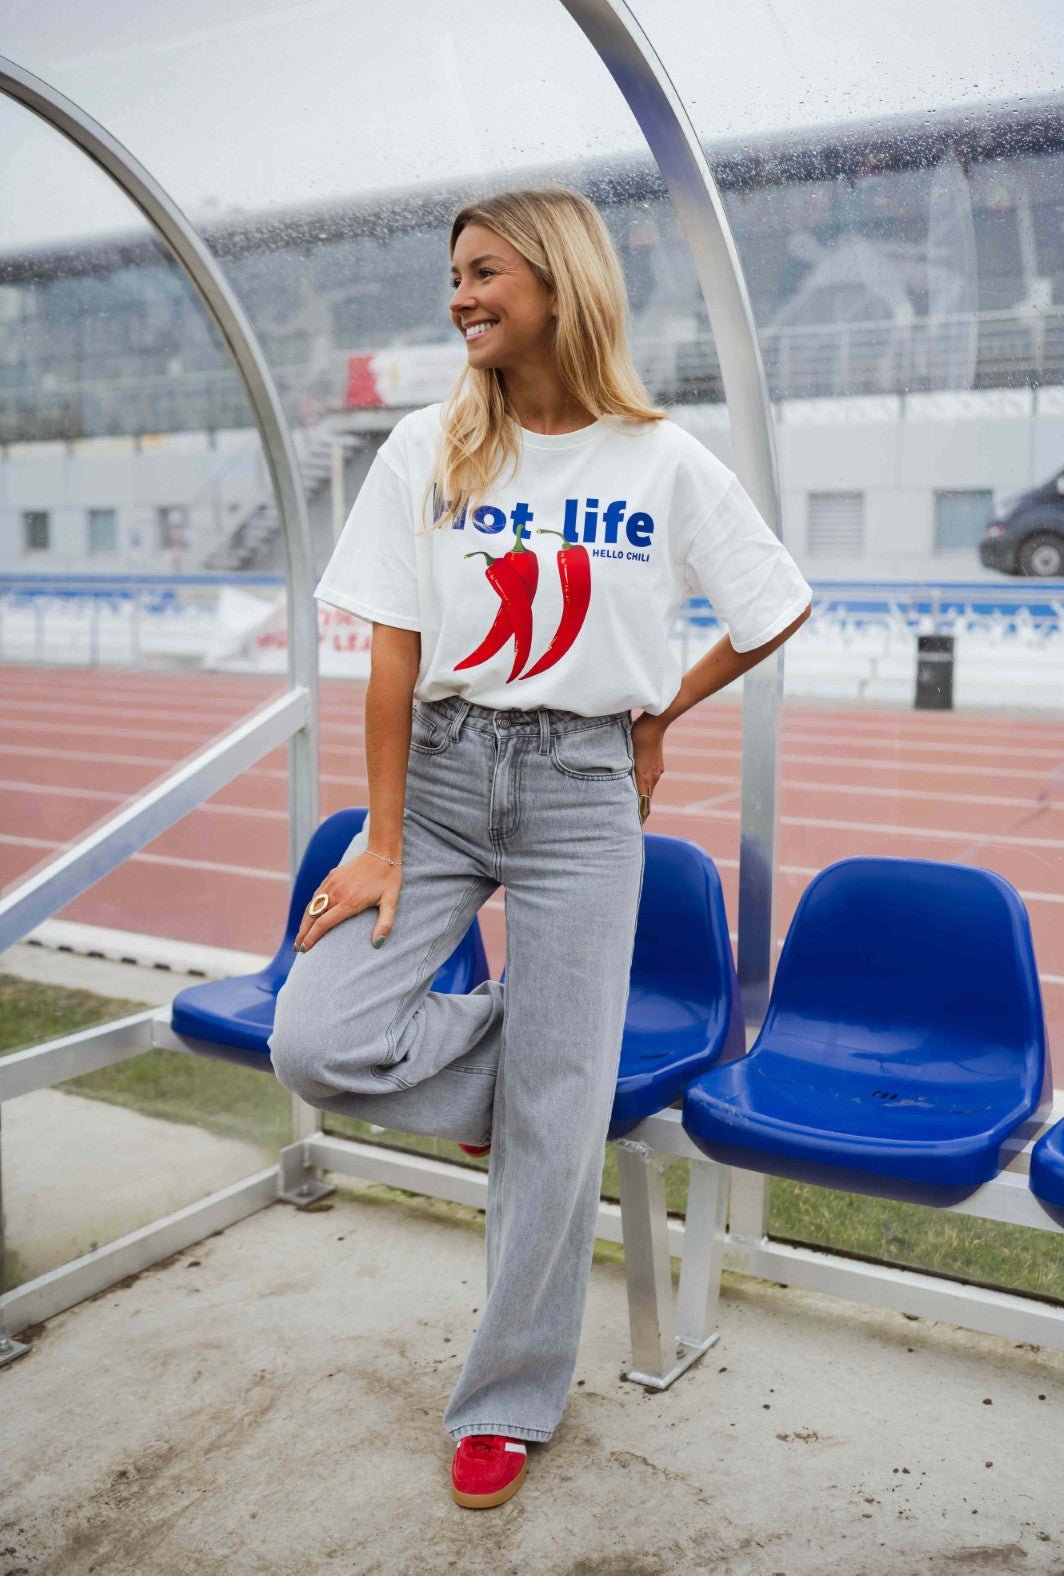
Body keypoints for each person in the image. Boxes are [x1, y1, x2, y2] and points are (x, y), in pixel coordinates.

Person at [267, 186, 812, 1510]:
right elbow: (391, 660)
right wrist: (384, 840)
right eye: (454, 276)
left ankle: (507, 1402)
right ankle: (533, 1075)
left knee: (563, 1127)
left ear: (559, 284)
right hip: (447, 776)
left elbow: (774, 605)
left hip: (581, 795)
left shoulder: (663, 462)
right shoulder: (426, 447)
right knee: (319, 1042)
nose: (459, 297)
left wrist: (662, 707)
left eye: (483, 273)